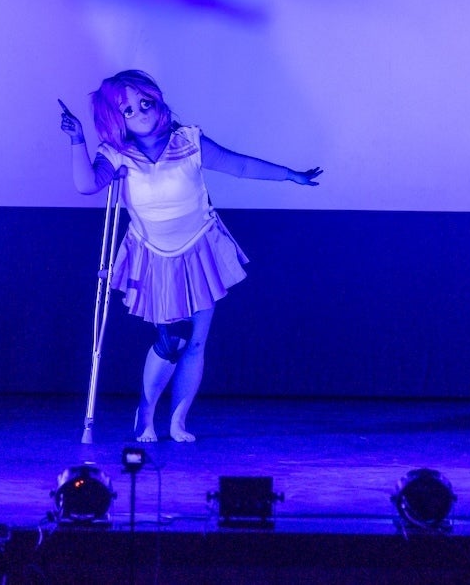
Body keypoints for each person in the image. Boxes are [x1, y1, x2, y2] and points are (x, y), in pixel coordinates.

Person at [60, 70, 321, 442]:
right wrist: (77, 140)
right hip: (154, 255)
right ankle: (145, 414)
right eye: (129, 110)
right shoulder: (117, 154)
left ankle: (178, 421)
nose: (141, 113)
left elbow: (240, 165)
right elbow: (87, 185)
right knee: (171, 342)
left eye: (145, 104)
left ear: (157, 101)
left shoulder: (188, 141)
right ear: (117, 119)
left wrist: (290, 175)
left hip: (200, 248)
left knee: (196, 341)